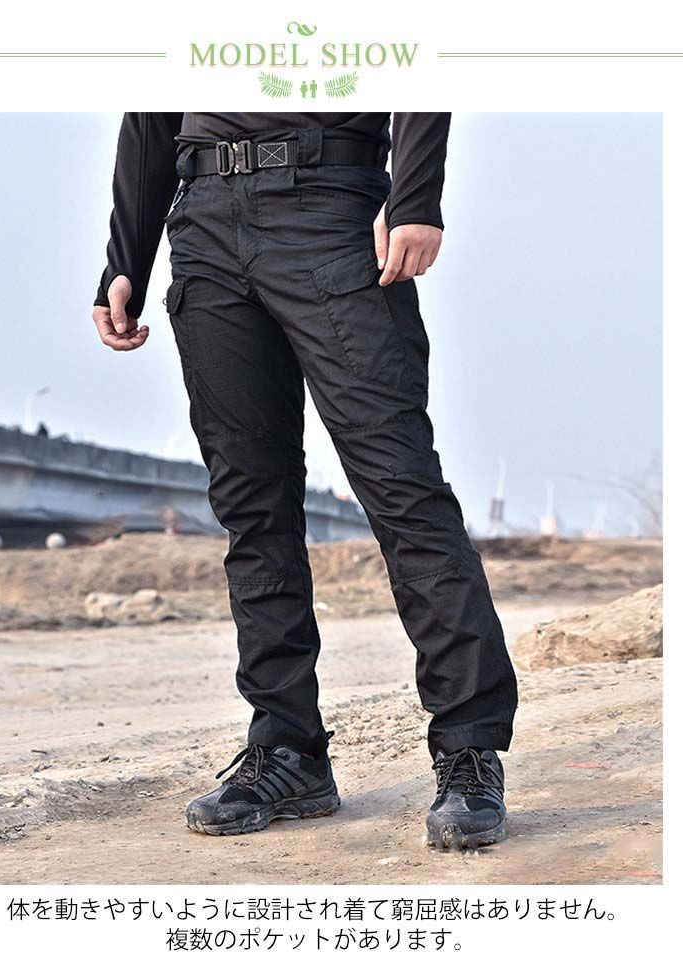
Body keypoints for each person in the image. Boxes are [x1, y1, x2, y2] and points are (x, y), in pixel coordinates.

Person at [93, 113, 518, 849]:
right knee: (251, 506)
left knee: (402, 490)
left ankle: (469, 749)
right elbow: (150, 111)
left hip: (331, 209)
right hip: (204, 223)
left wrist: (415, 195)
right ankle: (288, 751)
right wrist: (125, 255)